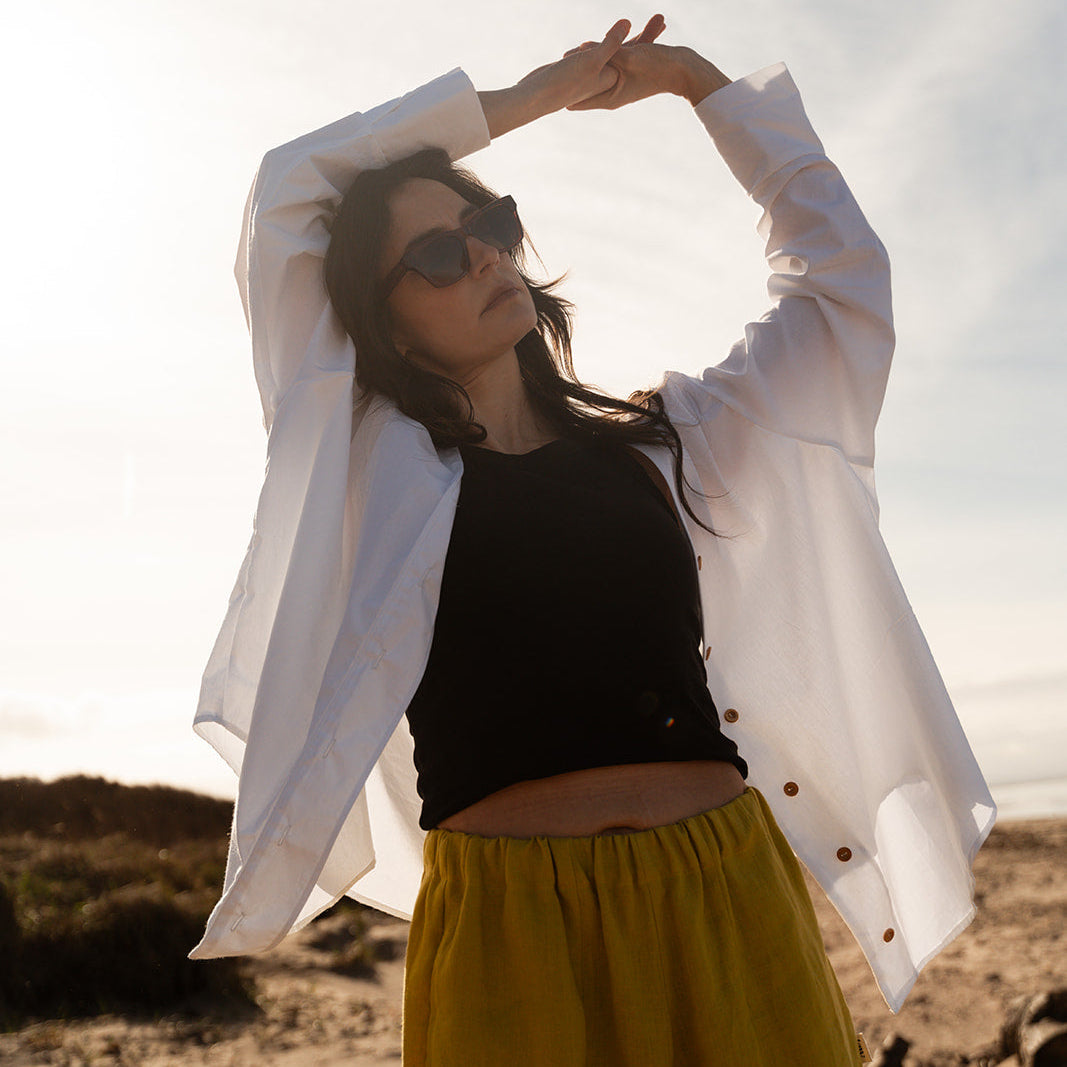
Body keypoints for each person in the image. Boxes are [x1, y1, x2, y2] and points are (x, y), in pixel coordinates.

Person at [189, 15, 997, 1066]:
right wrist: (531, 97)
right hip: (512, 928)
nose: (482, 251)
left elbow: (840, 286)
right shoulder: (365, 469)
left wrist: (700, 85)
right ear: (383, 326)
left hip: (722, 893)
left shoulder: (669, 444)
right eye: (439, 252)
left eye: (490, 221)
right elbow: (285, 191)